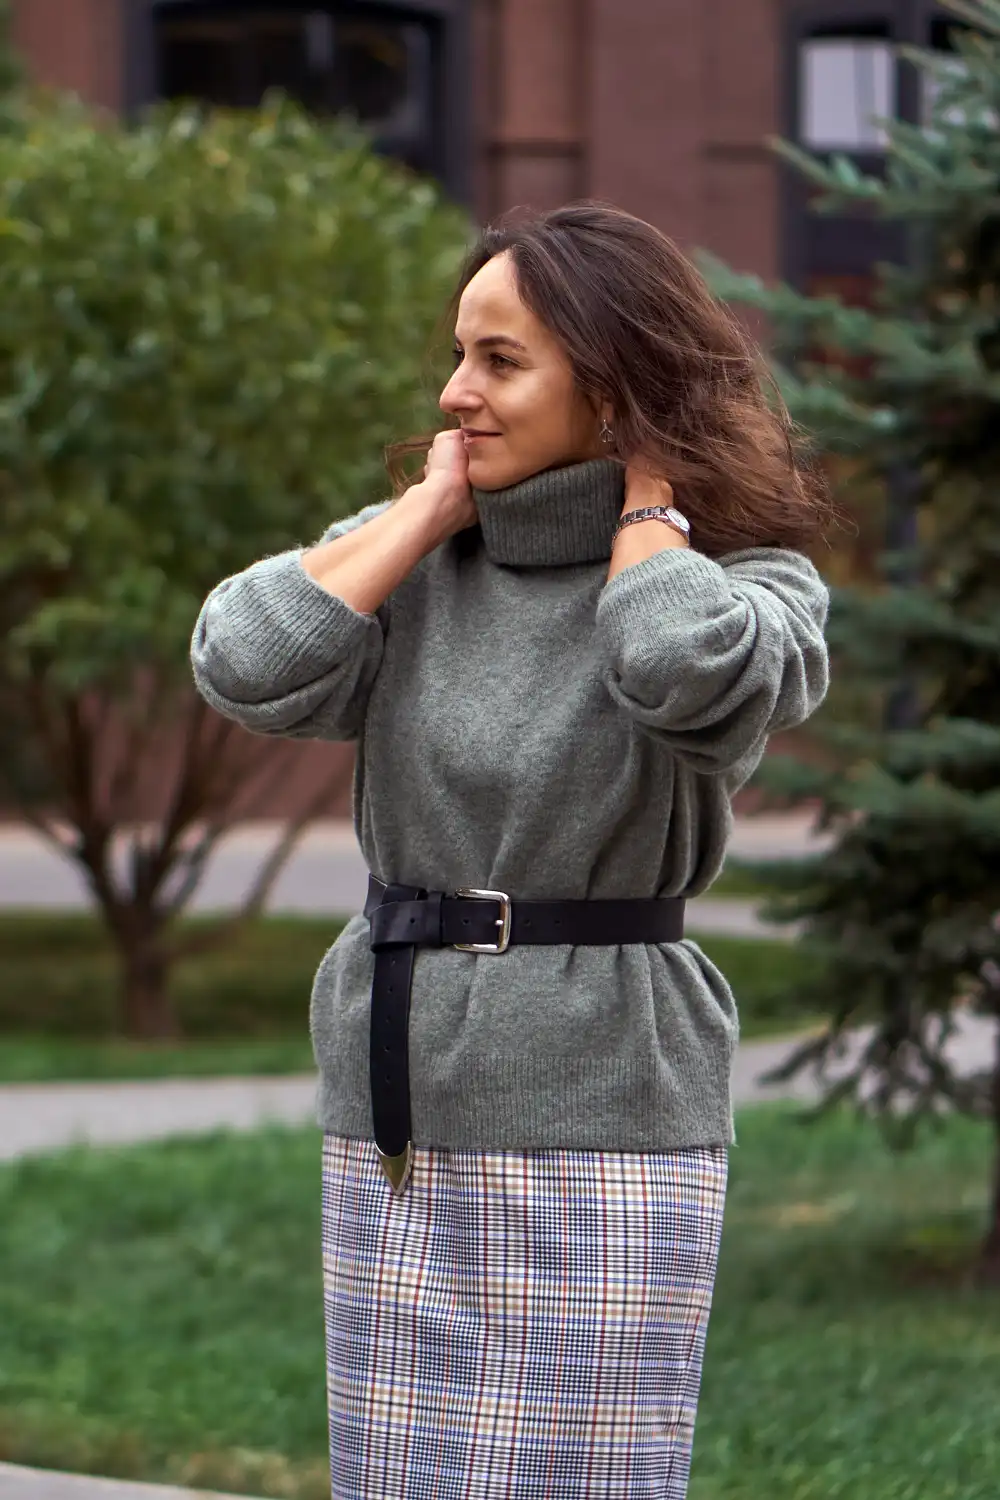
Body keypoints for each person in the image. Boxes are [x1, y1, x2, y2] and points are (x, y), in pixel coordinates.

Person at [190, 202, 830, 1500]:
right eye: (457, 353)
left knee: (579, 1477)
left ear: (614, 386)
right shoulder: (420, 562)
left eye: (499, 360)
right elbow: (241, 661)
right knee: (406, 1476)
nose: (454, 391)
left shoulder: (752, 584)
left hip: (605, 1091)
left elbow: (671, 664)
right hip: (400, 1092)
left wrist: (651, 499)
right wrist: (422, 518)